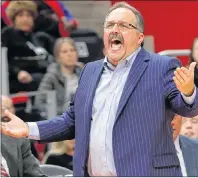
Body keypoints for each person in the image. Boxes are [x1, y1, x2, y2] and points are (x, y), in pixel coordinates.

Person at [1, 2, 198, 176]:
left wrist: (188, 92)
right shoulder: (90, 71)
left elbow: (187, 108)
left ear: (139, 38)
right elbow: (72, 121)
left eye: (123, 25)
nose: (114, 29)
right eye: (110, 25)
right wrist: (28, 128)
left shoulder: (161, 66)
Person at [1, 0, 54, 93]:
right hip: (17, 81)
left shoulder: (41, 37)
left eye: (29, 15)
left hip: (44, 79)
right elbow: (3, 61)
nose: (25, 19)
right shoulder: (7, 35)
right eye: (20, 15)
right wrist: (18, 72)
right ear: (14, 19)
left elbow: (55, 56)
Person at [35, 37, 83, 115]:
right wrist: (62, 112)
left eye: (72, 50)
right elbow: (39, 103)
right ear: (58, 56)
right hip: (62, 119)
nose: (69, 54)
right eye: (64, 52)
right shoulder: (51, 76)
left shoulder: (83, 73)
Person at [0, 95, 46, 177]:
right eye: (2, 108)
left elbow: (35, 174)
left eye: (7, 108)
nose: (4, 112)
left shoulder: (18, 139)